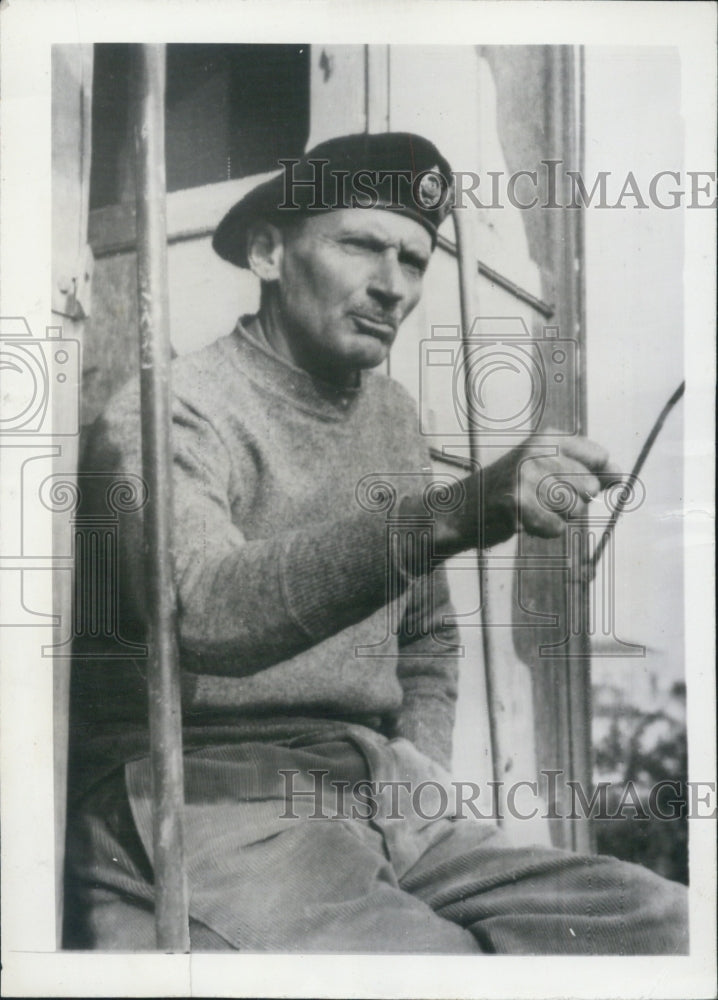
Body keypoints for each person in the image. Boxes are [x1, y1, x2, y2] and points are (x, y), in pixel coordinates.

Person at [64, 132, 688, 953]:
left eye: (415, 260)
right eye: (360, 245)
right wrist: (455, 512)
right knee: (432, 965)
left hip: (378, 786)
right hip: (205, 791)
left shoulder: (390, 413)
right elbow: (200, 609)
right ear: (267, 252)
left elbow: (425, 630)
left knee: (666, 925)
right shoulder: (172, 411)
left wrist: (419, 756)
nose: (392, 287)